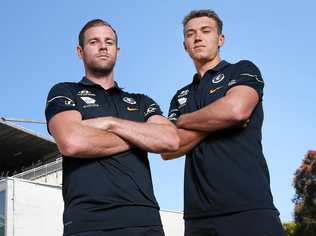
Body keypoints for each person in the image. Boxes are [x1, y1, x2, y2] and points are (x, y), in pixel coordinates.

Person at [45, 19, 179, 236]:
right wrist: (141, 137)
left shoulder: (141, 101)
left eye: (109, 41)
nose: (103, 46)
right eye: (94, 42)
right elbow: (72, 142)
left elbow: (171, 140)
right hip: (88, 222)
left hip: (144, 221)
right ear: (80, 51)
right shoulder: (65, 92)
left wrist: (110, 123)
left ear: (117, 50)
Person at [162, 10, 285, 236]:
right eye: (191, 34)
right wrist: (219, 119)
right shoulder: (180, 96)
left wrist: (184, 120)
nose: (198, 37)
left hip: (249, 207)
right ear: (185, 45)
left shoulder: (242, 69)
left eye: (205, 31)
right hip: (198, 217)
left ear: (220, 40)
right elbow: (169, 147)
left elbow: (237, 111)